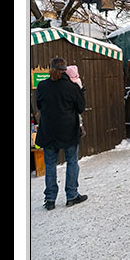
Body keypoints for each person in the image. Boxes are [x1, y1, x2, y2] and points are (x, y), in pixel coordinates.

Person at [34, 56, 88, 210]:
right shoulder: (72, 88)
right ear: (65, 70)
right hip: (69, 131)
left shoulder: (42, 86)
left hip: (49, 131)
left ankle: (50, 200)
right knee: (72, 162)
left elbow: (39, 105)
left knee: (50, 165)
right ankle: (72, 196)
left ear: (50, 69)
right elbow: (80, 108)